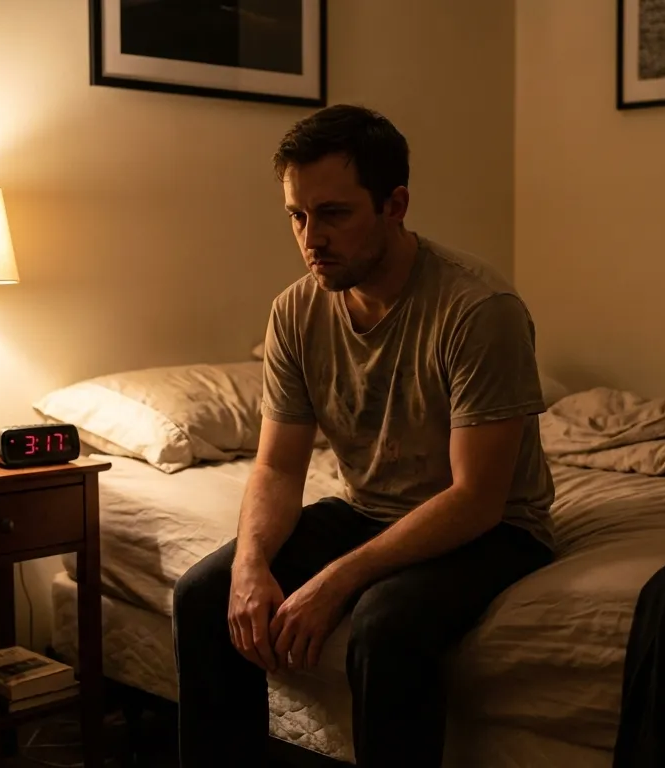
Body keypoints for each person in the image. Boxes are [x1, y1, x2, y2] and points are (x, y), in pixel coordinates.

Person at [171, 104, 556, 767]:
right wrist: (250, 564)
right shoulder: (295, 311)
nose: (310, 237)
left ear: (395, 203)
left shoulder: (478, 310)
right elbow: (278, 468)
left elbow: (478, 498)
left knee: (383, 626)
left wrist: (335, 581)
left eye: (334, 213)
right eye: (297, 215)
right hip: (369, 510)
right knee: (204, 594)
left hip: (494, 530)